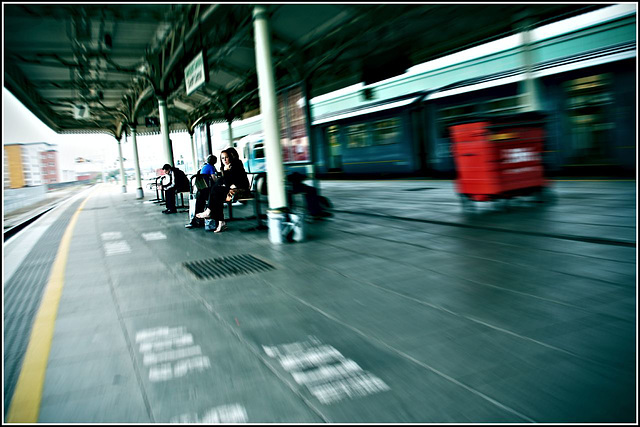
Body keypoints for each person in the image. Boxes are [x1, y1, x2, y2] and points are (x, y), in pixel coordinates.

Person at [196, 148, 250, 233]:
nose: (224, 160)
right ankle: (215, 220)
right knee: (209, 192)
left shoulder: (236, 165)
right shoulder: (227, 166)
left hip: (240, 190)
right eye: (222, 158)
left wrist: (225, 171)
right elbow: (223, 182)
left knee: (215, 191)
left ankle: (212, 214)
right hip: (230, 189)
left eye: (226, 157)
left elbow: (227, 182)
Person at [185, 155, 217, 229]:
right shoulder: (211, 167)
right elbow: (214, 178)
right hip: (207, 189)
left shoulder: (204, 166)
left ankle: (197, 220)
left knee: (199, 205)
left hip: (201, 189)